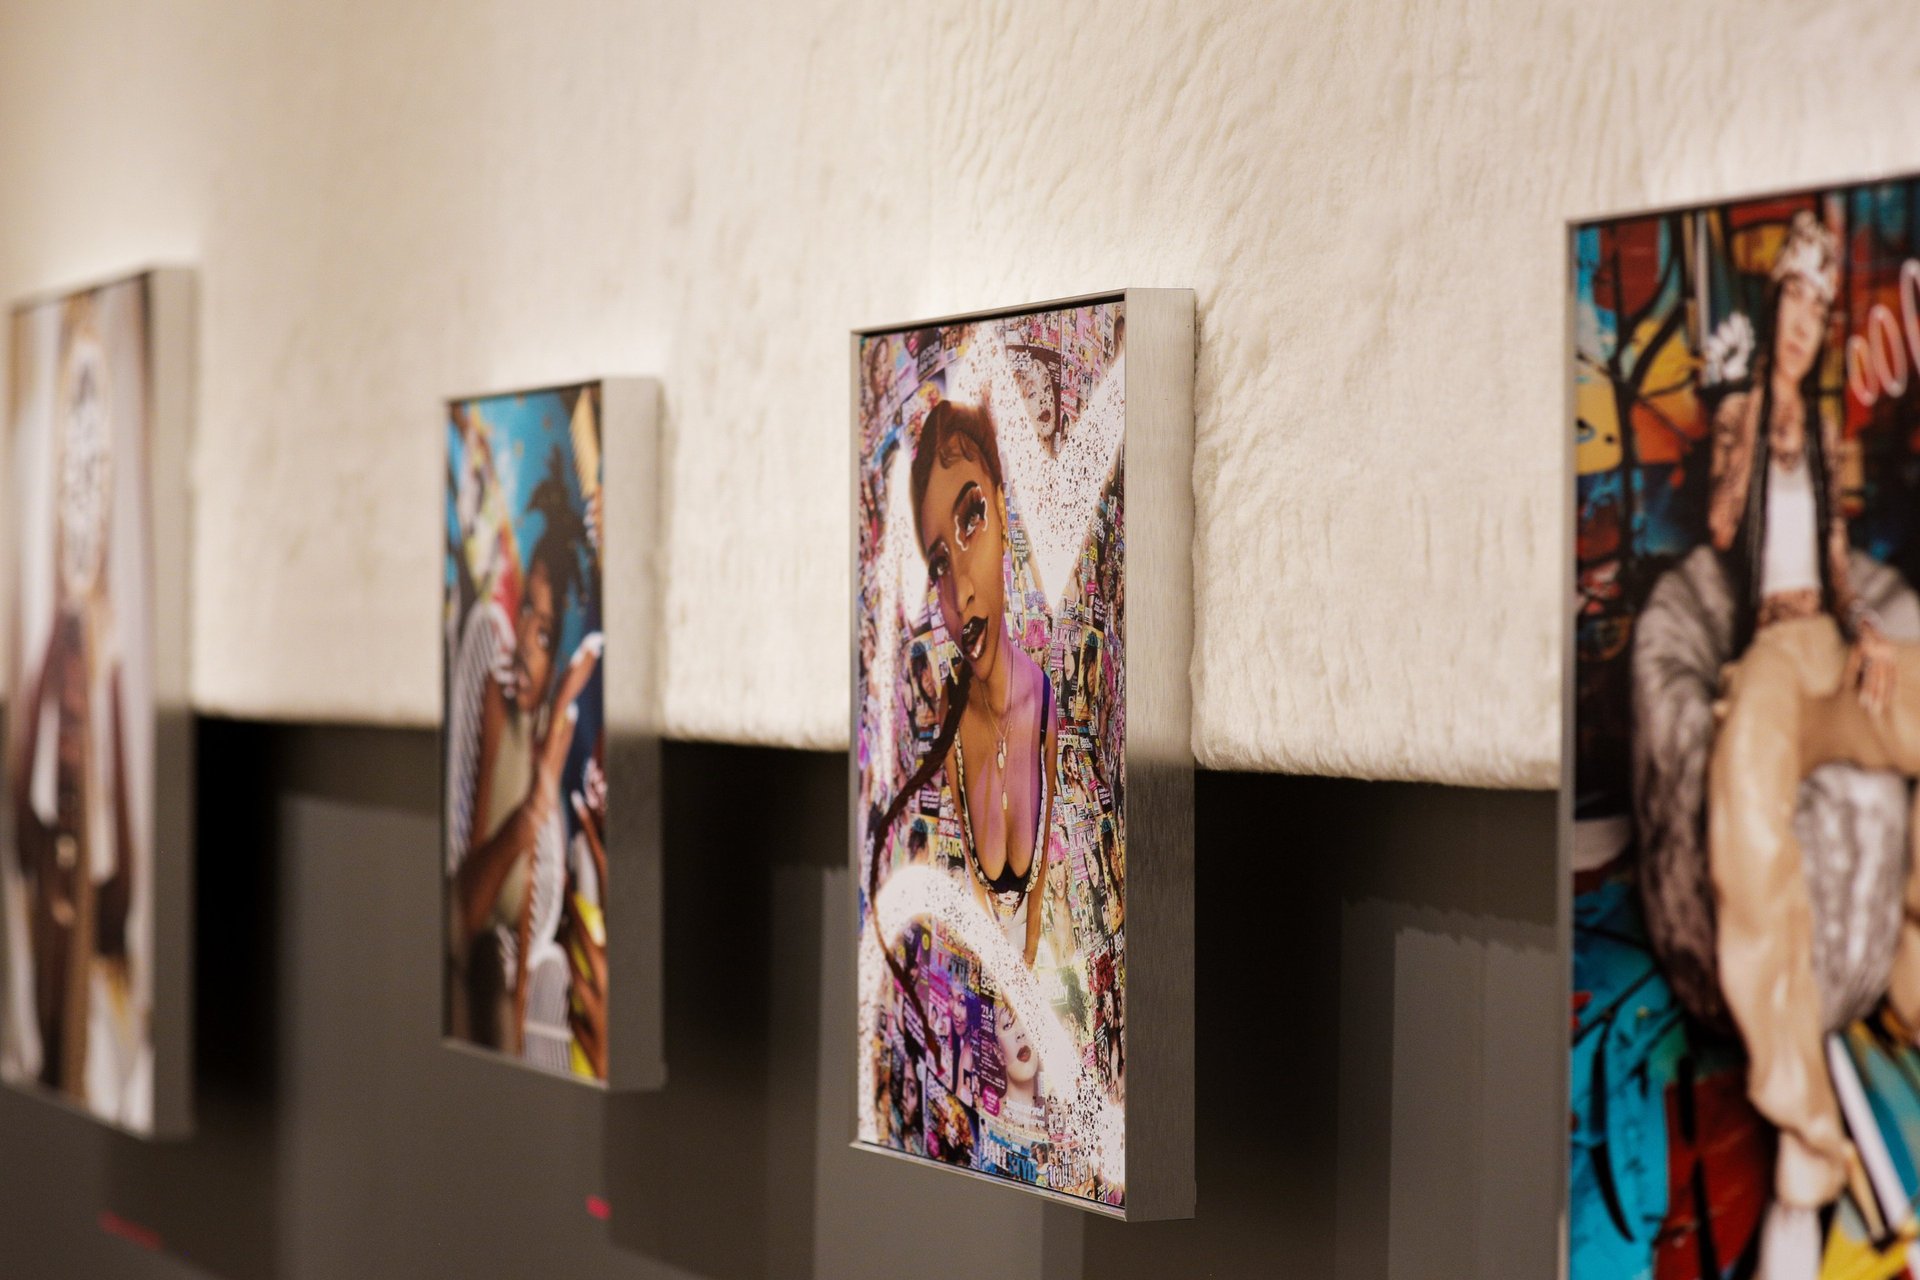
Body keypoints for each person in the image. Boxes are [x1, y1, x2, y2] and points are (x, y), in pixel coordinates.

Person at [1702, 210, 1920, 1274]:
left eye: (1821, 312)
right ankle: (1805, 1124)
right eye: (1797, 303)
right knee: (1749, 790)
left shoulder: (1823, 434)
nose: (1807, 324)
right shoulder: (1748, 412)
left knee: (1914, 700)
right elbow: (1717, 525)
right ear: (1774, 305)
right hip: (1769, 646)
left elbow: (1834, 560)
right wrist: (1751, 413)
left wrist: (1873, 635)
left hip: (1826, 636)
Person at [445, 444, 604, 1069]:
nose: (529, 644)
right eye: (528, 610)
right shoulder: (495, 699)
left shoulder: (563, 763)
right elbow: (464, 912)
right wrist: (527, 813)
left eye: (546, 633)